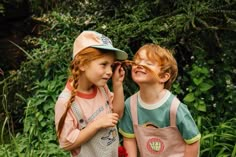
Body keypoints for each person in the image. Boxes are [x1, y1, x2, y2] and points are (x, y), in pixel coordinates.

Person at [118, 43, 201, 157]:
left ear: (163, 77)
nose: (140, 64)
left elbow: (193, 141)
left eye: (148, 63)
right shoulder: (130, 105)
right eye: (138, 61)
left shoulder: (175, 108)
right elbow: (129, 139)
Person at [54, 30, 128, 157]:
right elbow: (66, 144)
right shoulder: (65, 102)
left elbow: (117, 114)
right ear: (82, 64)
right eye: (103, 64)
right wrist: (96, 125)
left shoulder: (102, 88)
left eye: (111, 65)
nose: (109, 71)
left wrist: (117, 85)